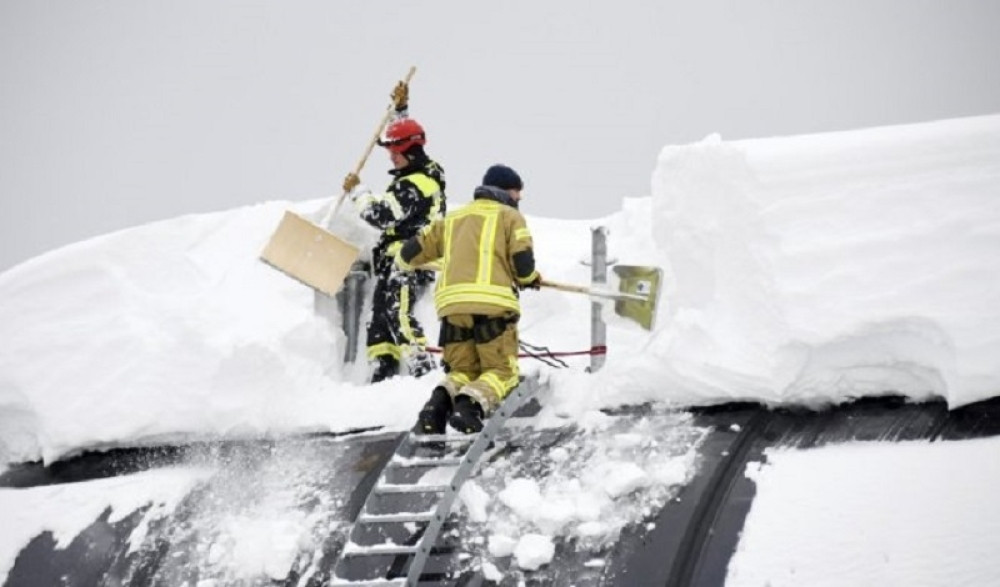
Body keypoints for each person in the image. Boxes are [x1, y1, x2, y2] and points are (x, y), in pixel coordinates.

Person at [396, 164, 541, 433]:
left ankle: (435, 409)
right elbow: (523, 264)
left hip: (452, 309)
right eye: (516, 193)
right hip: (493, 308)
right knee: (502, 372)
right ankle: (469, 408)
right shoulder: (510, 217)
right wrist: (530, 278)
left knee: (463, 370)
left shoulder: (452, 219)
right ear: (503, 190)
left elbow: (408, 254)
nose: (518, 199)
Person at [343, 82, 446, 383]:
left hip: (410, 259)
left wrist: (357, 191)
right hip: (396, 260)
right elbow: (407, 138)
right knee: (380, 319)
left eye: (395, 152)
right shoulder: (423, 172)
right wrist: (400, 113)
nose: (391, 157)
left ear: (410, 153)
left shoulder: (413, 185)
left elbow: (380, 214)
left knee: (398, 313)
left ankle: (422, 370)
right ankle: (383, 369)